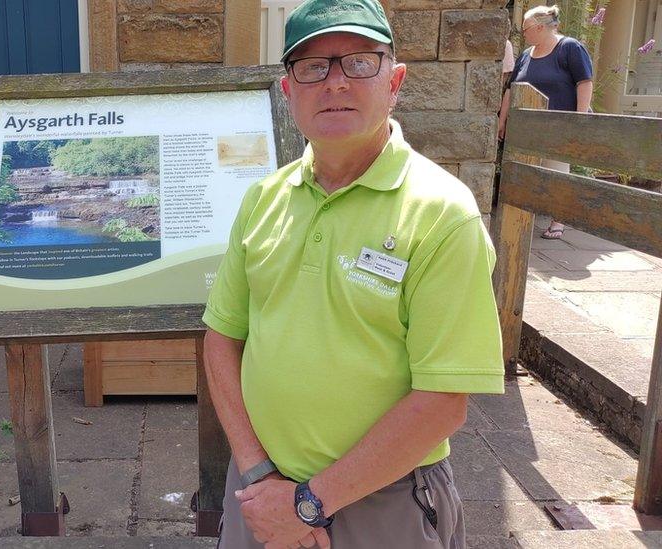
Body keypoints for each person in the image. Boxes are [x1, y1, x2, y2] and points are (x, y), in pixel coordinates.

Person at [201, 0, 505, 547]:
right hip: (260, 494)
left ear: (396, 81)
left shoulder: (441, 214)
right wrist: (259, 476)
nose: (335, 83)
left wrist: (310, 504)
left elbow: (443, 399)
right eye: (313, 66)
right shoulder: (263, 199)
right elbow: (222, 339)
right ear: (288, 90)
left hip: (383, 502)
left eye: (360, 61)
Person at [498, 5, 594, 240]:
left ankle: (558, 220)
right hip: (527, 129)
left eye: (526, 29)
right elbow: (511, 89)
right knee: (528, 174)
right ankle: (523, 219)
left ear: (540, 27)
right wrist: (502, 120)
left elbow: (585, 82)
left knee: (557, 172)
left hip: (559, 126)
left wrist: (580, 120)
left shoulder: (570, 48)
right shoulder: (525, 55)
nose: (524, 34)